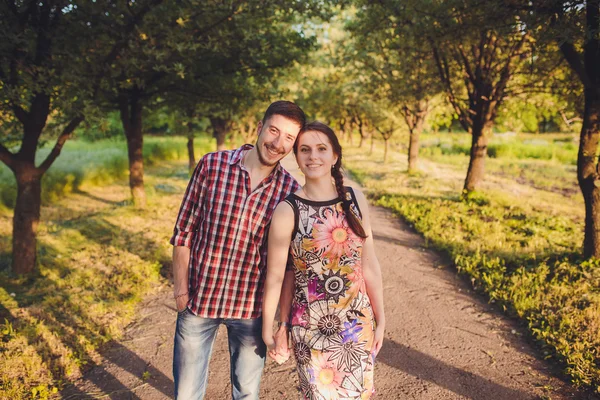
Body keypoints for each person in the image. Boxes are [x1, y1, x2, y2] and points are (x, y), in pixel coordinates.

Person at [170, 101, 306, 400]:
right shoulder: (212, 165)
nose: (278, 143)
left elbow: (286, 267)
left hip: (250, 309)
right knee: (186, 393)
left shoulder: (290, 191)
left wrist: (282, 322)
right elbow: (183, 231)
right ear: (259, 128)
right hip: (198, 300)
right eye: (274, 130)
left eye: (289, 138)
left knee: (246, 393)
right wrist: (181, 292)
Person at [262, 121, 386, 399]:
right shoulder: (288, 209)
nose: (313, 156)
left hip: (357, 326)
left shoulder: (354, 199)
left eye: (321, 149)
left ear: (335, 155)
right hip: (310, 329)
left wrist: (381, 317)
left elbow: (369, 263)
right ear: (296, 157)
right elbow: (277, 277)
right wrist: (273, 329)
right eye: (304, 150)